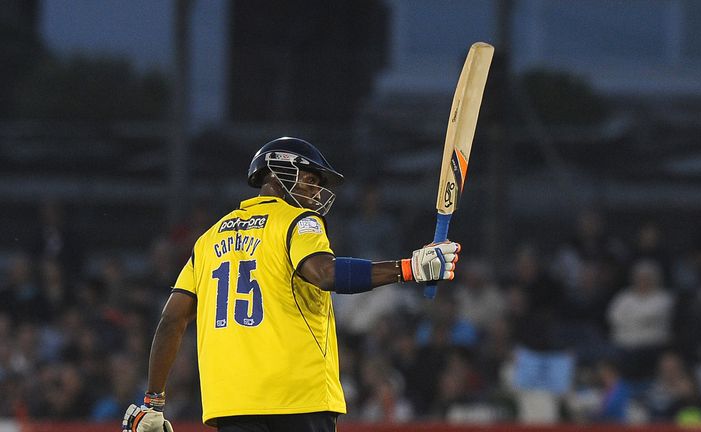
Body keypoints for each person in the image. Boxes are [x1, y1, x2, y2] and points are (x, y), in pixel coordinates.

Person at [122, 137, 461, 432]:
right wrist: (409, 268)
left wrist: (153, 401)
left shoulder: (208, 240)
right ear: (278, 172)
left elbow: (172, 319)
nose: (316, 192)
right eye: (311, 180)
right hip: (299, 397)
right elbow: (325, 274)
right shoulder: (298, 221)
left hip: (233, 402)